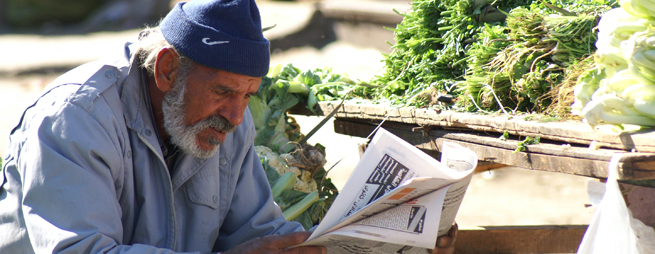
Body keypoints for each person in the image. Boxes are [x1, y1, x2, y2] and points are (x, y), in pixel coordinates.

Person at [0, 0, 457, 253]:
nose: (238, 117)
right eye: (222, 92)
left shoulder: (225, 127)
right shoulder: (75, 119)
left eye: (248, 95)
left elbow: (258, 236)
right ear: (166, 71)